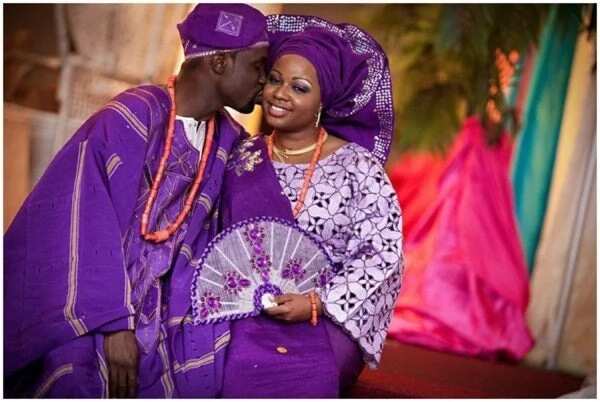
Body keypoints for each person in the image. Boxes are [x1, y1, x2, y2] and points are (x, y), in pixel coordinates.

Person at [4, 4, 269, 398]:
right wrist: (113, 322)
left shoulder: (230, 143)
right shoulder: (132, 116)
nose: (265, 80)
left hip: (169, 307)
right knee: (77, 373)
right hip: (96, 299)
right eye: (258, 66)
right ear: (219, 62)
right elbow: (81, 218)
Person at [216, 14, 403, 397]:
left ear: (323, 101)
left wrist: (317, 302)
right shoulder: (240, 156)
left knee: (290, 373)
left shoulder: (358, 167)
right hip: (240, 310)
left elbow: (383, 253)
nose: (280, 94)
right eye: (274, 80)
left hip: (324, 319)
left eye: (299, 87)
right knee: (213, 359)